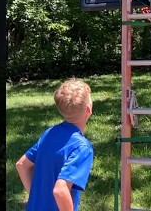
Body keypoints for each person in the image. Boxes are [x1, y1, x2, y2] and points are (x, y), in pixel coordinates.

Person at [16, 78, 94, 211]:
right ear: (88, 109)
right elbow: (60, 190)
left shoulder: (49, 133)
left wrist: (37, 199)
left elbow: (22, 165)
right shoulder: (82, 148)